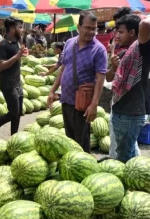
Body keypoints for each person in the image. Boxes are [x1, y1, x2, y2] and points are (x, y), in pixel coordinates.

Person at [47, 11, 108, 152]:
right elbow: (63, 68)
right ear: (78, 27)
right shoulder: (68, 43)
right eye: (87, 28)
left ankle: (84, 168)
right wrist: (52, 91)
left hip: (83, 103)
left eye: (94, 28)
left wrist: (94, 104)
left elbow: (100, 79)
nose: (91, 32)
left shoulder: (99, 50)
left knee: (81, 142)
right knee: (69, 139)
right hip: (66, 99)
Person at [110, 14, 150, 163]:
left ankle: (126, 185)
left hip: (131, 113)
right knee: (127, 153)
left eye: (121, 31)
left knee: (123, 158)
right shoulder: (125, 54)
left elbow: (147, 24)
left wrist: (137, 16)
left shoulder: (143, 48)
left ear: (132, 32)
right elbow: (107, 77)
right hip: (119, 109)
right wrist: (113, 66)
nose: (117, 35)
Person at [0, 17, 27, 135]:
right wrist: (16, 57)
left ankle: (14, 137)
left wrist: (19, 56)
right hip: (8, 84)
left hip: (17, 83)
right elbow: (0, 66)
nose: (22, 29)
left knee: (18, 113)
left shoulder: (16, 43)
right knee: (13, 112)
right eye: (20, 27)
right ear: (12, 28)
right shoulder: (3, 45)